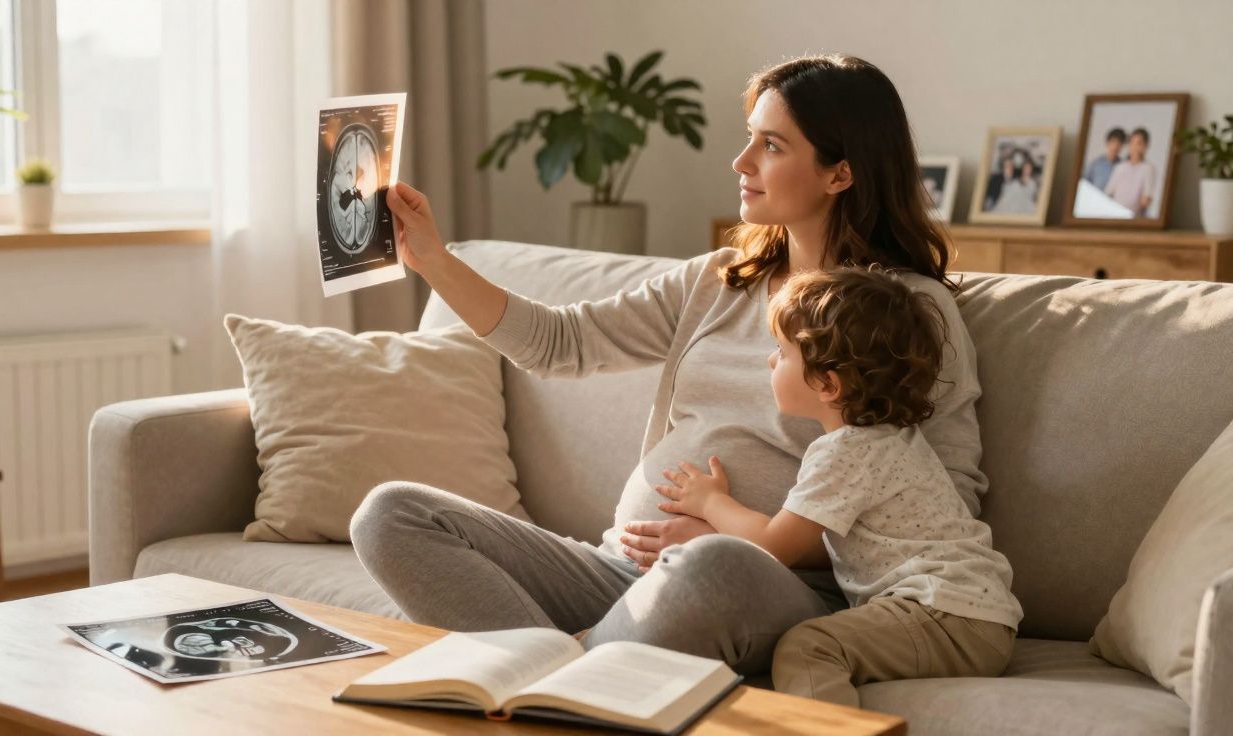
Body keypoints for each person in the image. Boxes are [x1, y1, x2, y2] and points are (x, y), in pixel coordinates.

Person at [348, 53, 988, 675]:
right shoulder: (717, 281)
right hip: (619, 571)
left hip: (770, 589)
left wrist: (731, 538)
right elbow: (559, 344)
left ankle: (552, 672)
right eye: (749, 139)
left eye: (772, 145)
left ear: (839, 173)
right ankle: (565, 674)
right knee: (391, 514)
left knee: (712, 566)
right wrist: (431, 258)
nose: (741, 163)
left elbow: (939, 500)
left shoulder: (909, 311)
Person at [653, 267, 1021, 705]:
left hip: (947, 614)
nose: (771, 360)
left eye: (782, 352)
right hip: (969, 615)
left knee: (808, 648)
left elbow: (775, 546)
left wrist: (713, 502)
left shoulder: (846, 452)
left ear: (828, 384)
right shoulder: (889, 437)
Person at [1104, 127, 1158, 217]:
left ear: (1145, 146)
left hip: (1134, 217)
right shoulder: (1120, 167)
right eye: (1132, 143)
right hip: (1114, 214)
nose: (1134, 147)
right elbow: (1108, 192)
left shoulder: (1148, 169)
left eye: (1139, 144)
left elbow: (1146, 200)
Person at [1083, 127, 1126, 191]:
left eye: (1119, 143)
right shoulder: (1096, 164)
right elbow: (1084, 183)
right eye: (1113, 142)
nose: (1115, 146)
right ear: (1107, 143)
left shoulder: (1124, 166)